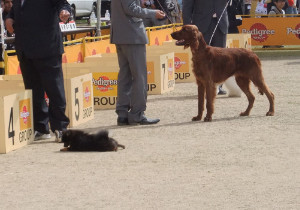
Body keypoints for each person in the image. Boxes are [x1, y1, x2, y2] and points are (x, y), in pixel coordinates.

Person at [5, 0, 71, 141]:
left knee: (54, 89)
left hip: (47, 47)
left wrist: (65, 12)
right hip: (25, 49)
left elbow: (63, 4)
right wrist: (9, 18)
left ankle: (60, 127)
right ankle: (40, 128)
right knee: (33, 91)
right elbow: (15, 10)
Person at [110, 0, 165, 125]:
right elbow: (131, 8)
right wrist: (153, 13)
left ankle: (122, 114)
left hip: (120, 34)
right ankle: (137, 114)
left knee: (125, 76)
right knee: (139, 76)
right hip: (132, 35)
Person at [182, 0, 229, 95]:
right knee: (202, 58)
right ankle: (203, 85)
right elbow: (187, 7)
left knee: (220, 56)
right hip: (201, 25)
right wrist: (187, 28)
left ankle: (218, 86)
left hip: (221, 23)